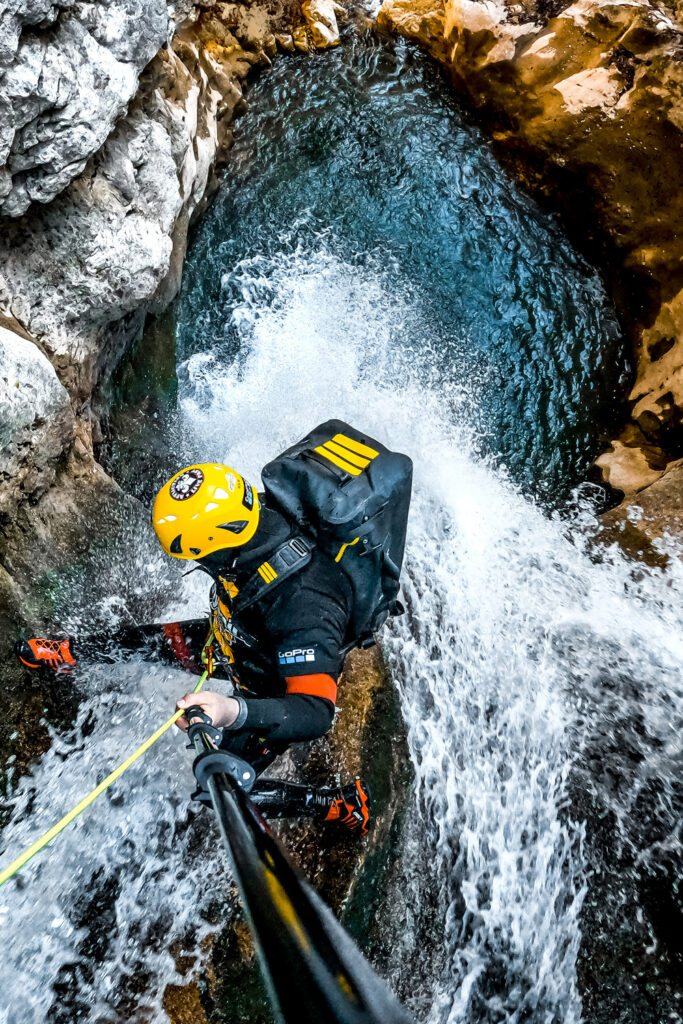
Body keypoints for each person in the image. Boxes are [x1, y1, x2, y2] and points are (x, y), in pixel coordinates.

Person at [16, 422, 413, 836]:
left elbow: (315, 712)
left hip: (268, 680)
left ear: (218, 544)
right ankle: (69, 653)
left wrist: (231, 711)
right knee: (158, 641)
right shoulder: (254, 519)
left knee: (220, 789)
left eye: (196, 555)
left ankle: (336, 805)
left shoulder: (305, 603)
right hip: (239, 635)